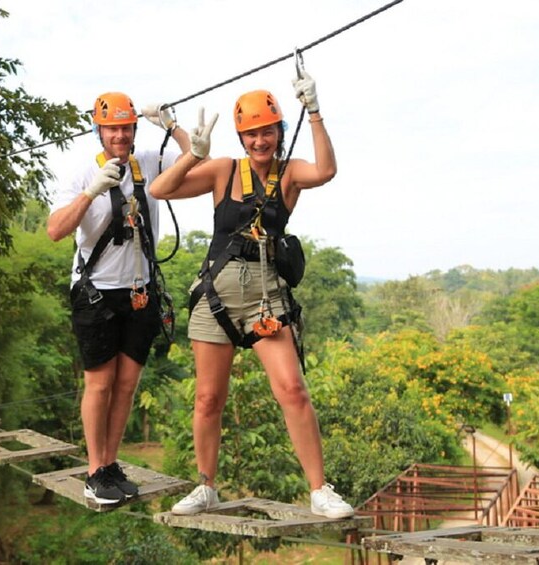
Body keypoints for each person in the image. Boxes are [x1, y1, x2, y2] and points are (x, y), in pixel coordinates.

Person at [149, 71, 355, 519]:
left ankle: (319, 489)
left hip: (266, 297)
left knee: (293, 390)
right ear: (241, 138)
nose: (260, 141)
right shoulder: (224, 170)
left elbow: (326, 170)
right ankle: (206, 486)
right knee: (208, 398)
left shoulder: (290, 173)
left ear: (279, 132)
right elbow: (159, 189)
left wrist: (314, 111)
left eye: (267, 132)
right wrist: (193, 155)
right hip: (217, 295)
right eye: (251, 134)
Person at [47, 92, 192, 505]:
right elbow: (55, 230)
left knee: (126, 385)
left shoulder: (147, 162)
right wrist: (91, 192)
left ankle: (111, 464)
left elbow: (195, 159)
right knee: (100, 383)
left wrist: (172, 126)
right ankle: (94, 470)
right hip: (96, 292)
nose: (120, 136)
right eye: (112, 129)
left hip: (140, 291)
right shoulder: (80, 172)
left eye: (126, 128)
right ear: (99, 130)